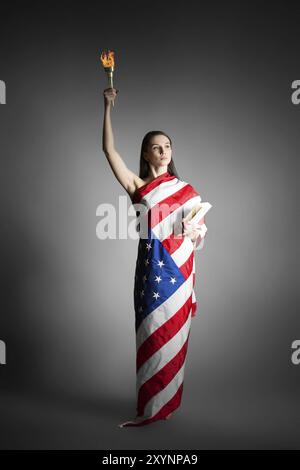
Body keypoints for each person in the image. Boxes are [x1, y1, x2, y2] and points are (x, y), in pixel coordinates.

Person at [102, 87, 208, 426]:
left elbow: (200, 231)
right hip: (151, 275)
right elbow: (108, 150)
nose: (162, 151)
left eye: (167, 146)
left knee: (175, 340)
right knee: (152, 340)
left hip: (179, 273)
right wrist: (107, 107)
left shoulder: (187, 190)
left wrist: (195, 232)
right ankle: (149, 407)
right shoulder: (137, 186)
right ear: (146, 154)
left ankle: (167, 406)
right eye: (155, 147)